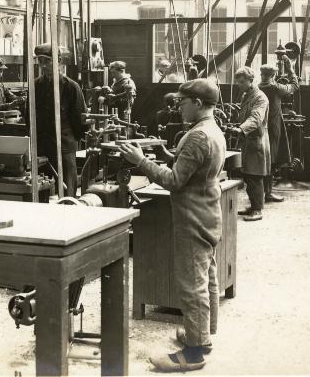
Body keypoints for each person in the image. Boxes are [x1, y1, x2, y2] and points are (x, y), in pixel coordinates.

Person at [117, 79, 226, 372]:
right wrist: (164, 154)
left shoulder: (196, 137)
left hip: (192, 218)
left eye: (182, 102)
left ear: (198, 104)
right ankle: (201, 336)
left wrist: (141, 161)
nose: (178, 107)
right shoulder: (211, 130)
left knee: (192, 286)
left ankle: (194, 354)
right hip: (208, 213)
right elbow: (189, 168)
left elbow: (174, 181)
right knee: (207, 278)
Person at [31, 43, 87, 198]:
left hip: (64, 146)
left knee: (68, 190)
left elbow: (80, 119)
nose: (43, 66)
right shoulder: (35, 86)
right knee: (41, 188)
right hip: (42, 147)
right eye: (40, 62)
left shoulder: (71, 87)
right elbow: (30, 116)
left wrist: (70, 140)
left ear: (59, 61)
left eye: (47, 61)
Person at [230, 66, 270, 222]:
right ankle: (253, 206)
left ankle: (258, 210)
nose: (238, 85)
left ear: (251, 81)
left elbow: (256, 118)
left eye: (241, 82)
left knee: (255, 176)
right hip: (248, 142)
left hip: (256, 142)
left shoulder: (260, 98)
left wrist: (240, 129)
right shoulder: (247, 95)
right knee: (248, 175)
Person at [258, 57, 299, 202]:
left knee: (265, 159)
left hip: (261, 128)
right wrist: (291, 69)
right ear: (274, 75)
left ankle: (265, 191)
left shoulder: (257, 87)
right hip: (274, 128)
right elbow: (294, 86)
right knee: (272, 160)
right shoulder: (275, 88)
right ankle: (268, 193)